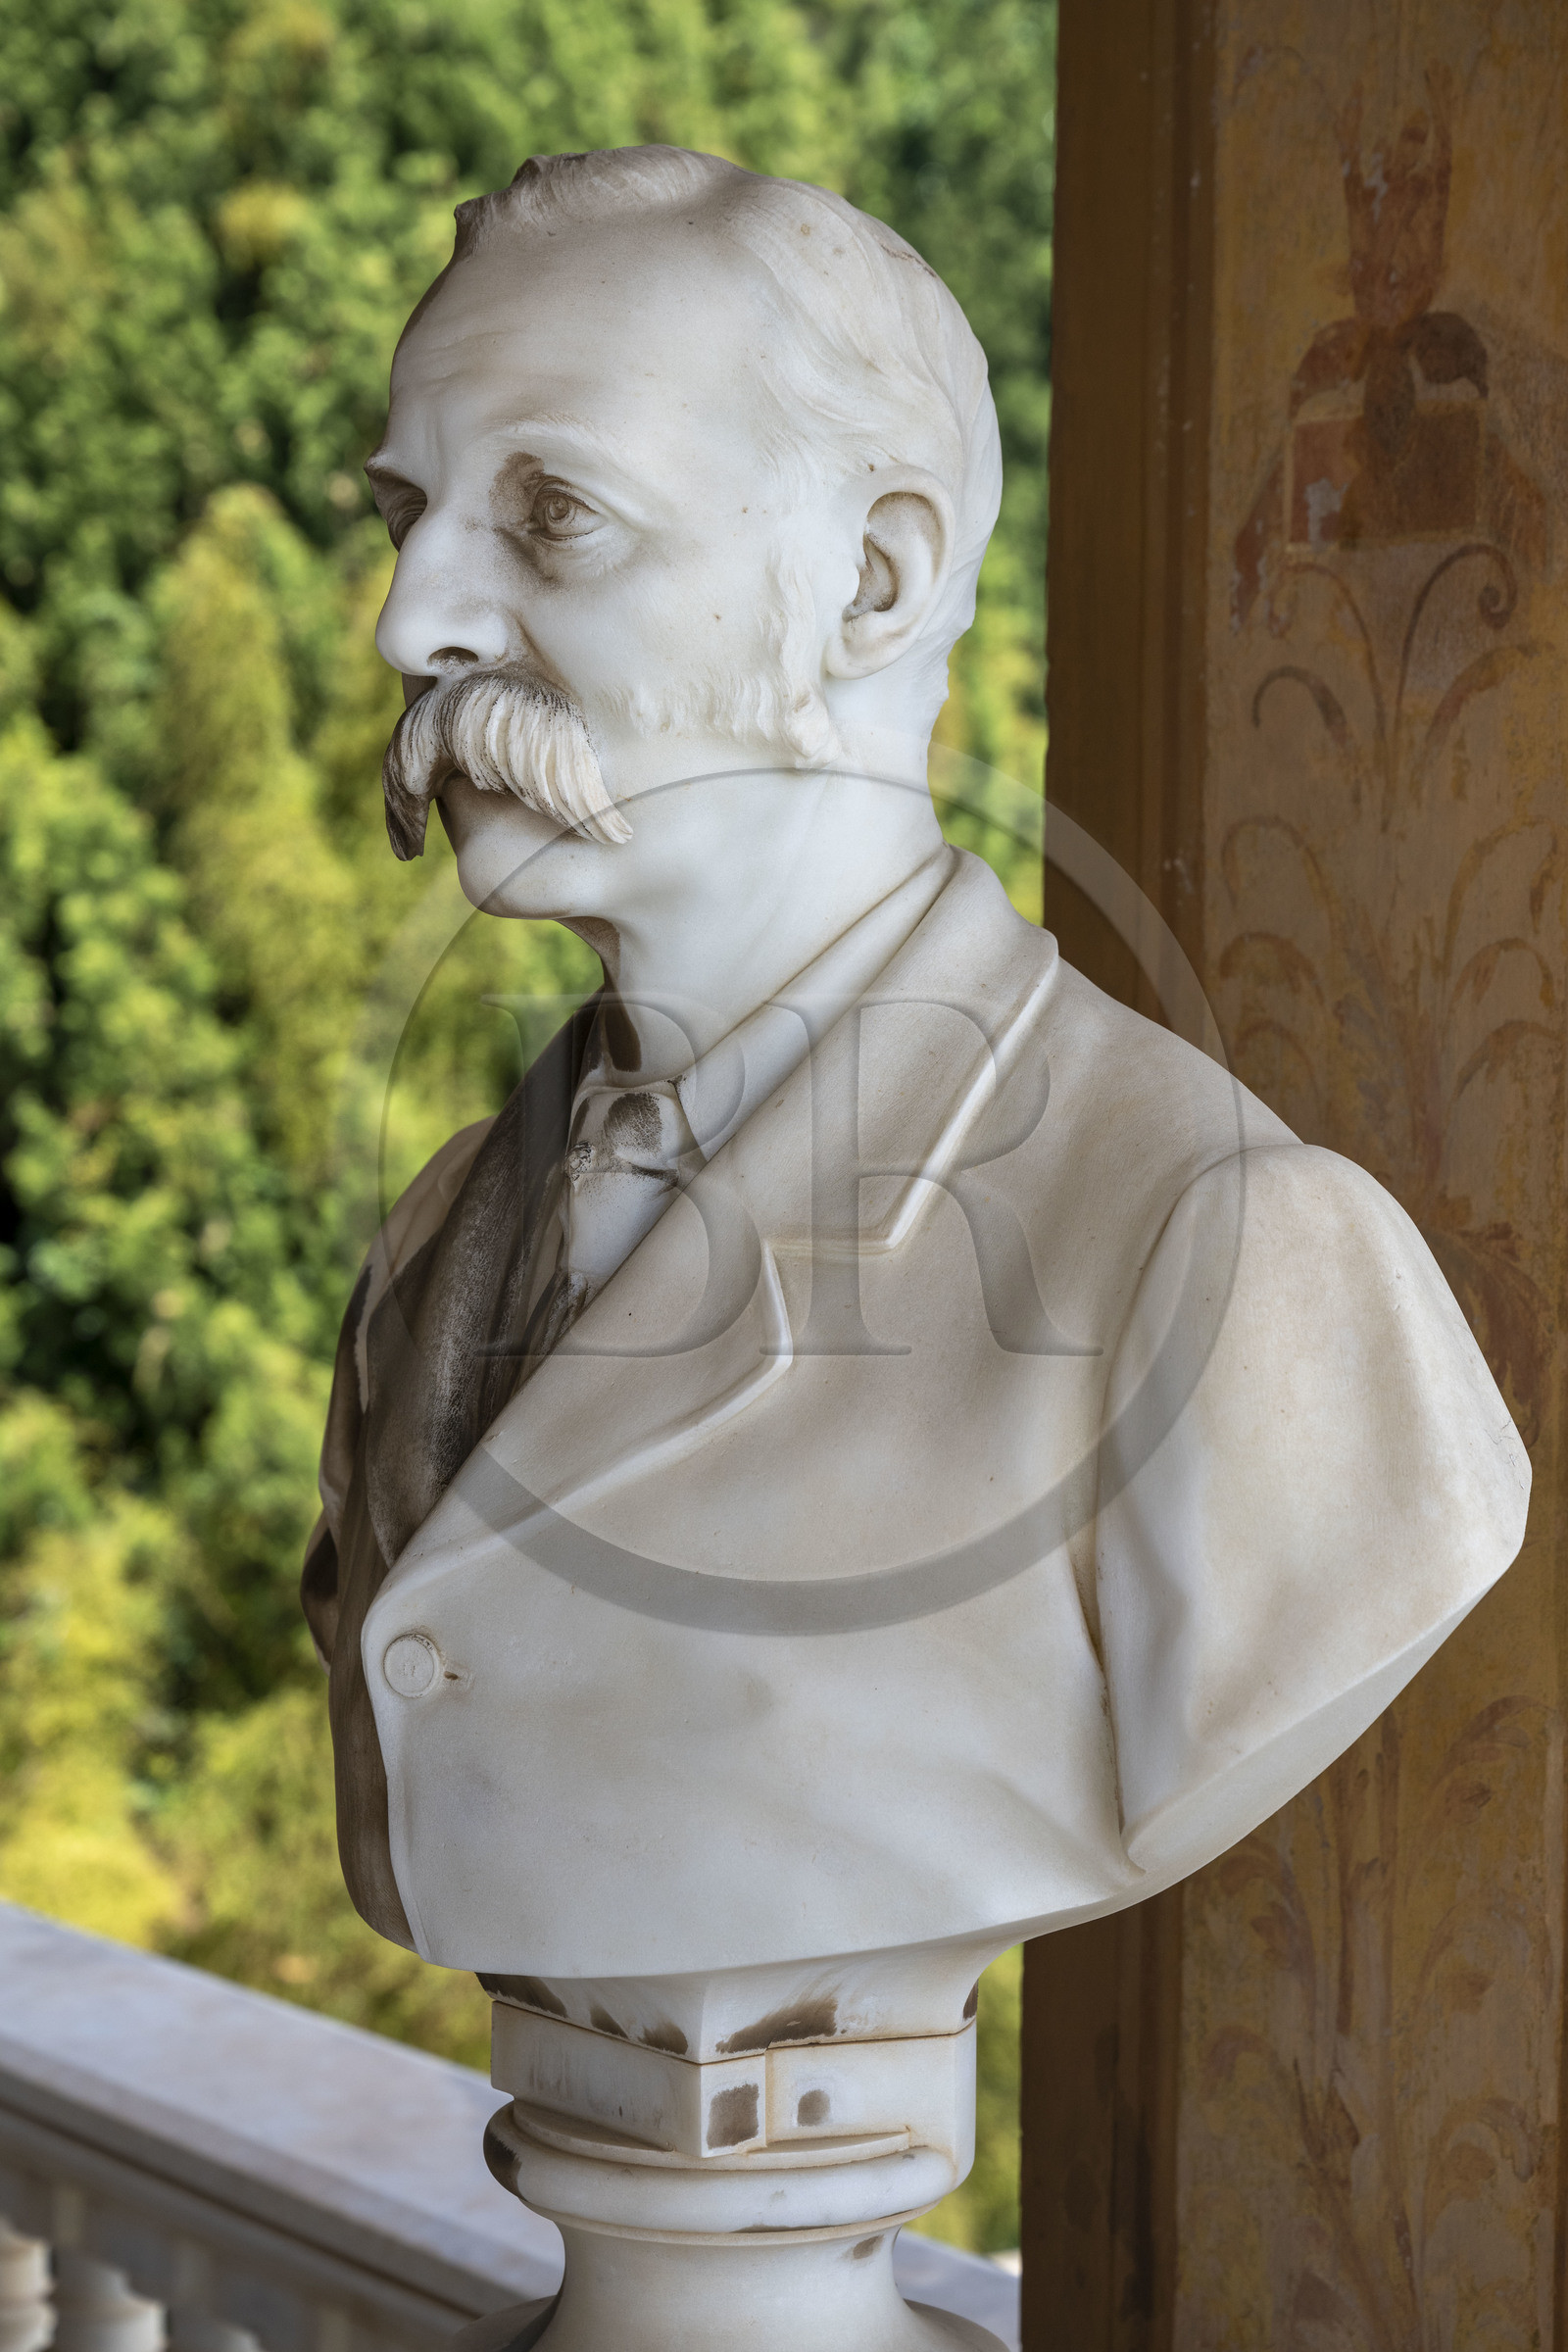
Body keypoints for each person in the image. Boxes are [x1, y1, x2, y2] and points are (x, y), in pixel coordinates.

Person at [302, 148, 1526, 2043]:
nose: (410, 625)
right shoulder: (438, 1237)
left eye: (555, 517)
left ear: (876, 580)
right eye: (412, 515)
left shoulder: (1227, 1270)